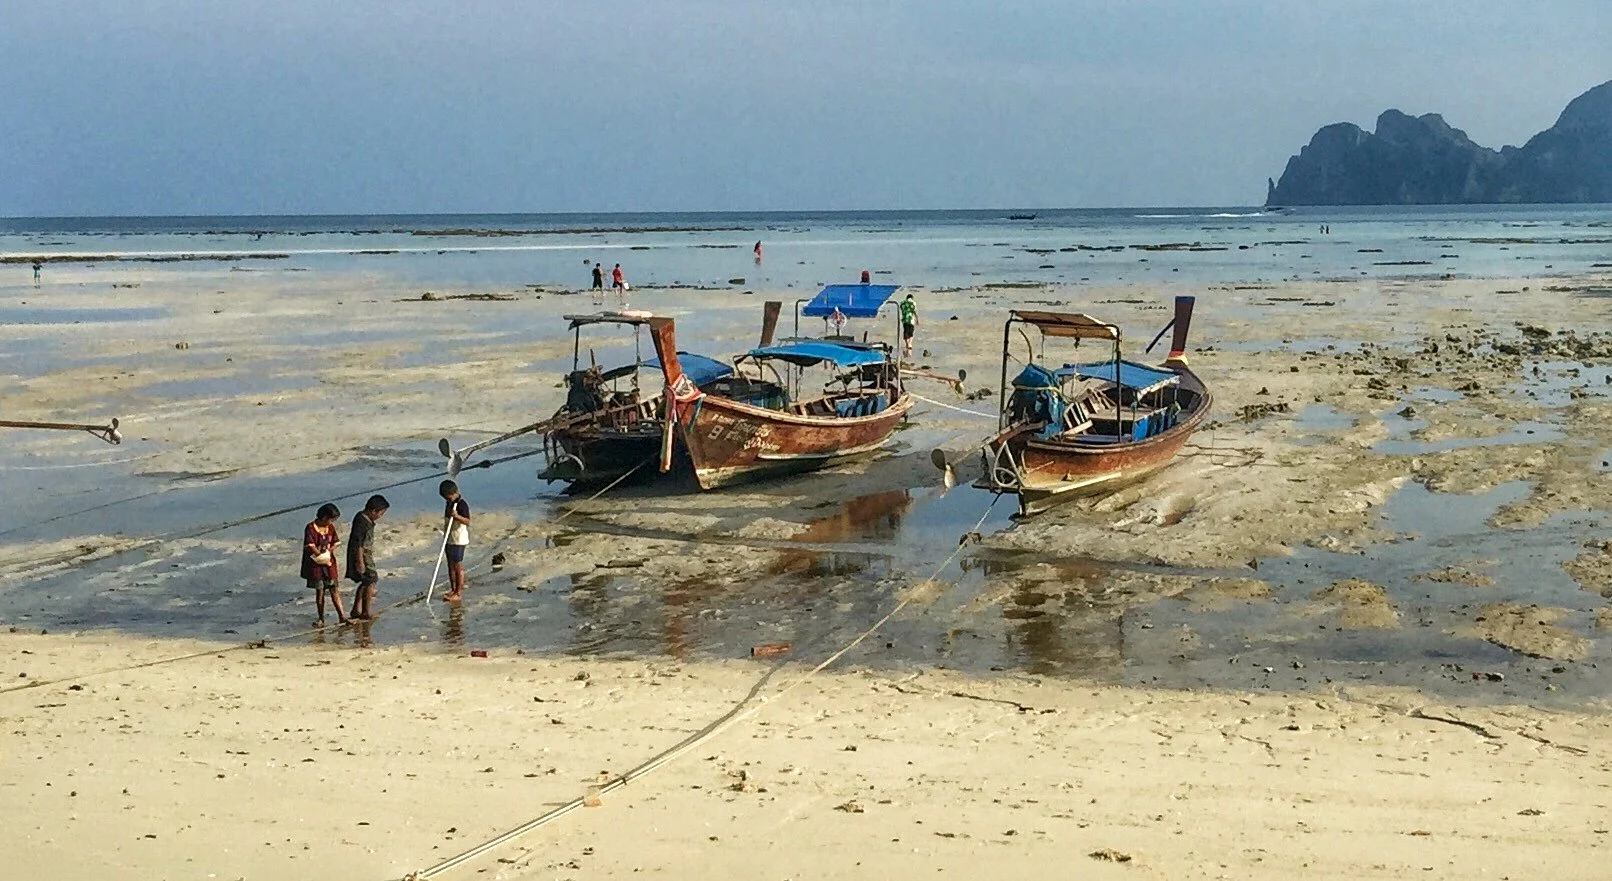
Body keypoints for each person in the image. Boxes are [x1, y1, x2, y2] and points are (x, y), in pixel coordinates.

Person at [302, 503, 346, 625]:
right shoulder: (310, 528)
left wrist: (327, 552)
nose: (332, 522)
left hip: (329, 562)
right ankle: (321, 618)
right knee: (320, 591)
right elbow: (310, 545)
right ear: (324, 517)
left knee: (334, 588)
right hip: (316, 564)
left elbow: (335, 542)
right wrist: (319, 555)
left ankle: (342, 616)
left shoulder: (330, 528)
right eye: (331, 519)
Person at [346, 494, 389, 620]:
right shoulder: (362, 521)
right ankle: (366, 611)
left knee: (366, 581)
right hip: (362, 555)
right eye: (381, 513)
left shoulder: (365, 519)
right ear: (373, 511)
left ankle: (356, 609)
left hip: (366, 554)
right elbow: (358, 543)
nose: (381, 516)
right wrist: (360, 562)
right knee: (371, 580)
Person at [439, 480, 471, 603]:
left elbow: (467, 521)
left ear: (454, 493)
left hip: (459, 539)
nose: (447, 500)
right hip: (449, 538)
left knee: (457, 565)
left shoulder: (462, 504)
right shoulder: (448, 503)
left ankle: (458, 592)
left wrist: (457, 516)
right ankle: (453, 589)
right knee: (450, 565)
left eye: (448, 497)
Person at [898, 292, 918, 358]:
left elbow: (901, 309)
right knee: (911, 332)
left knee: (906, 332)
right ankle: (910, 344)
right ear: (912, 298)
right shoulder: (913, 303)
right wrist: (917, 319)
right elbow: (914, 311)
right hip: (911, 319)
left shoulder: (903, 303)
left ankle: (907, 344)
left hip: (905, 319)